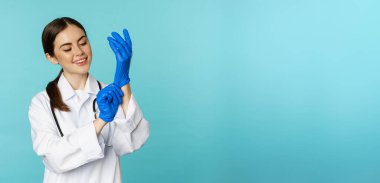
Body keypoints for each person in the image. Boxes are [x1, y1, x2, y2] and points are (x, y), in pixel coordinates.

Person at [28, 17, 150, 183]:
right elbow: (54, 158)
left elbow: (131, 142)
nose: (79, 52)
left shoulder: (110, 94)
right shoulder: (42, 103)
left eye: (83, 42)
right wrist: (101, 121)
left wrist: (124, 83)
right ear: (52, 57)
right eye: (67, 48)